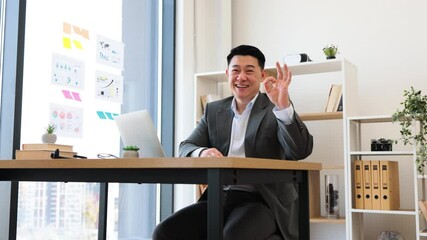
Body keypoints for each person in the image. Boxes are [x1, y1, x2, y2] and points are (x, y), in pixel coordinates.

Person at [152, 45, 313, 240]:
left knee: (232, 236)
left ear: (262, 75)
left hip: (262, 200)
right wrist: (203, 153)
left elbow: (300, 150)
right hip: (219, 198)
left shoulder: (276, 106)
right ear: (228, 73)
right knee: (164, 232)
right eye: (236, 70)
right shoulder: (213, 111)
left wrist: (283, 106)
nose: (241, 77)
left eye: (249, 71)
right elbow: (186, 146)